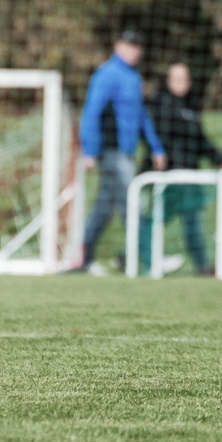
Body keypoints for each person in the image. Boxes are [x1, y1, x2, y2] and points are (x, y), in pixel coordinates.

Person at [74, 29, 167, 273]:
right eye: (130, 45)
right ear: (118, 46)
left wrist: (155, 146)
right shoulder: (107, 75)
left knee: (103, 209)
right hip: (111, 152)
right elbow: (91, 113)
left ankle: (83, 259)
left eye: (138, 46)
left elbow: (140, 115)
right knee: (133, 204)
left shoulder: (133, 78)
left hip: (127, 153)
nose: (135, 51)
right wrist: (89, 150)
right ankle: (150, 260)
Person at [138, 61, 222, 276]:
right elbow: (153, 138)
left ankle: (202, 266)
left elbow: (199, 140)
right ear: (167, 81)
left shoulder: (190, 106)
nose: (182, 82)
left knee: (192, 223)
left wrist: (219, 158)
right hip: (170, 178)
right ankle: (134, 254)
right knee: (156, 221)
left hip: (189, 176)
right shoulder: (159, 105)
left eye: (185, 78)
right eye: (177, 78)